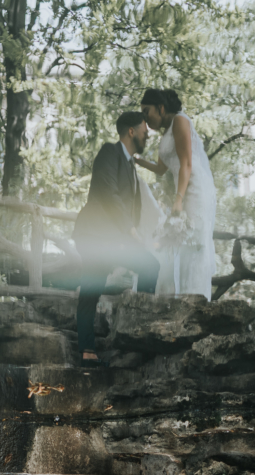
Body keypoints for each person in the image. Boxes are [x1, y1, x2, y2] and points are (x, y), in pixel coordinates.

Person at [73, 112, 160, 364]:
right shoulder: (109, 153)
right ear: (131, 131)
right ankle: (87, 349)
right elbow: (110, 195)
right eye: (145, 130)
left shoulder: (132, 165)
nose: (148, 134)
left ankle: (138, 336)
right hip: (95, 236)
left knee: (150, 266)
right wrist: (131, 232)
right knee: (91, 289)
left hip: (115, 240)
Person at [136, 89, 217, 300]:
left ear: (161, 108)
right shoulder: (166, 133)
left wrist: (179, 200)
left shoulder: (181, 121)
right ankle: (178, 296)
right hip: (183, 186)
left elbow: (187, 164)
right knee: (179, 243)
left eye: (147, 112)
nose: (145, 118)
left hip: (195, 189)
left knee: (193, 244)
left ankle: (196, 298)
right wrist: (135, 160)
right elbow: (161, 169)